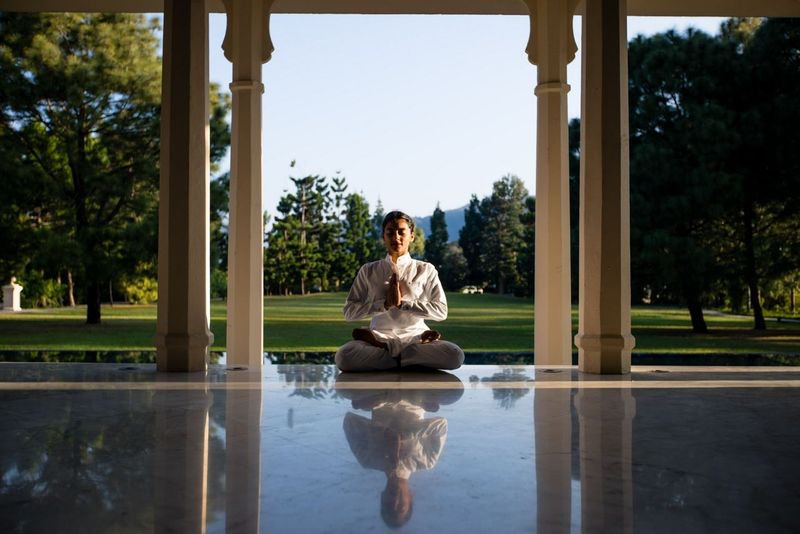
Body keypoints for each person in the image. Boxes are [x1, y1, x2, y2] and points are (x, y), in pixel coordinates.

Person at [335, 210, 465, 372]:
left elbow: (441, 311)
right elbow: (349, 313)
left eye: (401, 232)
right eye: (390, 232)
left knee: (455, 356)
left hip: (416, 336)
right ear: (383, 237)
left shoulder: (426, 270)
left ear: (412, 236)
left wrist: (403, 304)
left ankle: (389, 355)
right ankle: (406, 359)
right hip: (379, 335)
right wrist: (384, 304)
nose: (396, 237)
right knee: (344, 357)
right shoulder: (368, 270)